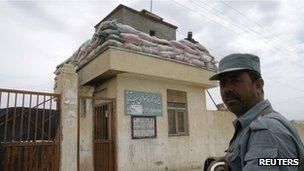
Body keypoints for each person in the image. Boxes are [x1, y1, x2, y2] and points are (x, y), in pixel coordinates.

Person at [209, 53, 304, 171]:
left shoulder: (266, 130)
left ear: (258, 85)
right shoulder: (251, 126)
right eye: (223, 84)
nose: (227, 90)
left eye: (235, 81)